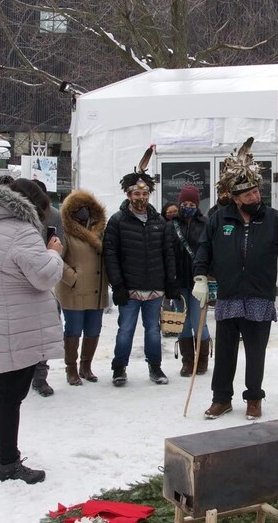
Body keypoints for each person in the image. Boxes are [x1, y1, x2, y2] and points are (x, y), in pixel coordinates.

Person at [192, 138, 278, 420]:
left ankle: (254, 398)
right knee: (225, 352)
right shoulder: (219, 218)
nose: (254, 197)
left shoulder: (274, 218)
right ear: (236, 198)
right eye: (248, 194)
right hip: (229, 295)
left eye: (255, 191)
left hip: (259, 296)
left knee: (256, 353)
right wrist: (199, 276)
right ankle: (221, 398)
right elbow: (204, 247)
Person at [0, 178, 64, 484]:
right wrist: (53, 252)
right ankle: (8, 463)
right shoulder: (21, 232)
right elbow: (44, 277)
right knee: (10, 397)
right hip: (14, 324)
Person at [104, 146, 179, 387]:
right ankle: (119, 368)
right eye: (136, 194)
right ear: (128, 195)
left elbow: (168, 253)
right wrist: (118, 285)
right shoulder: (117, 221)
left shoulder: (160, 222)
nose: (141, 198)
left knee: (153, 331)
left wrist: (171, 282)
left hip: (155, 288)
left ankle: (155, 367)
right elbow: (110, 254)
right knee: (125, 330)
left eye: (145, 193)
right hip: (130, 289)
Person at [55, 189, 109, 386]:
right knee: (73, 330)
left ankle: (86, 366)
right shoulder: (66, 232)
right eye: (78, 209)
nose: (83, 212)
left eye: (86, 208)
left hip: (97, 289)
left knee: (94, 329)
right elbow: (56, 259)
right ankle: (71, 368)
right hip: (74, 290)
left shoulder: (101, 230)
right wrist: (73, 277)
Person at [169, 185, 212, 377]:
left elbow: (210, 251)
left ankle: (201, 361)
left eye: (192, 203)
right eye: (185, 203)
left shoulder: (205, 224)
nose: (188, 206)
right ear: (179, 204)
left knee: (198, 321)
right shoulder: (171, 225)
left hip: (198, 281)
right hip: (179, 281)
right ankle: (188, 361)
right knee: (183, 322)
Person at [30, 179, 64, 397]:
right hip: (20, 281)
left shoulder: (54, 215)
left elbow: (62, 243)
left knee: (45, 332)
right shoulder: (16, 216)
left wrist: (52, 254)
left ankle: (40, 377)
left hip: (47, 280)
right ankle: (21, 374)